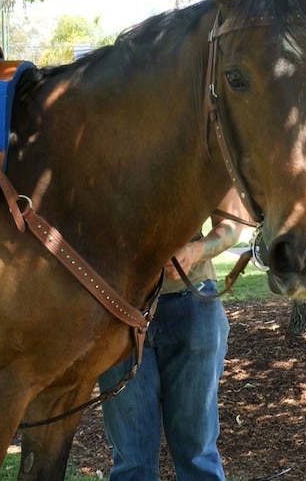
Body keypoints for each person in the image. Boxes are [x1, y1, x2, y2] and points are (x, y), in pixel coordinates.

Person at [97, 187, 245, 480]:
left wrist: (195, 251)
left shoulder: (203, 142)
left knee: (198, 456)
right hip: (117, 312)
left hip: (192, 308)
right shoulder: (99, 144)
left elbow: (233, 223)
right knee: (131, 461)